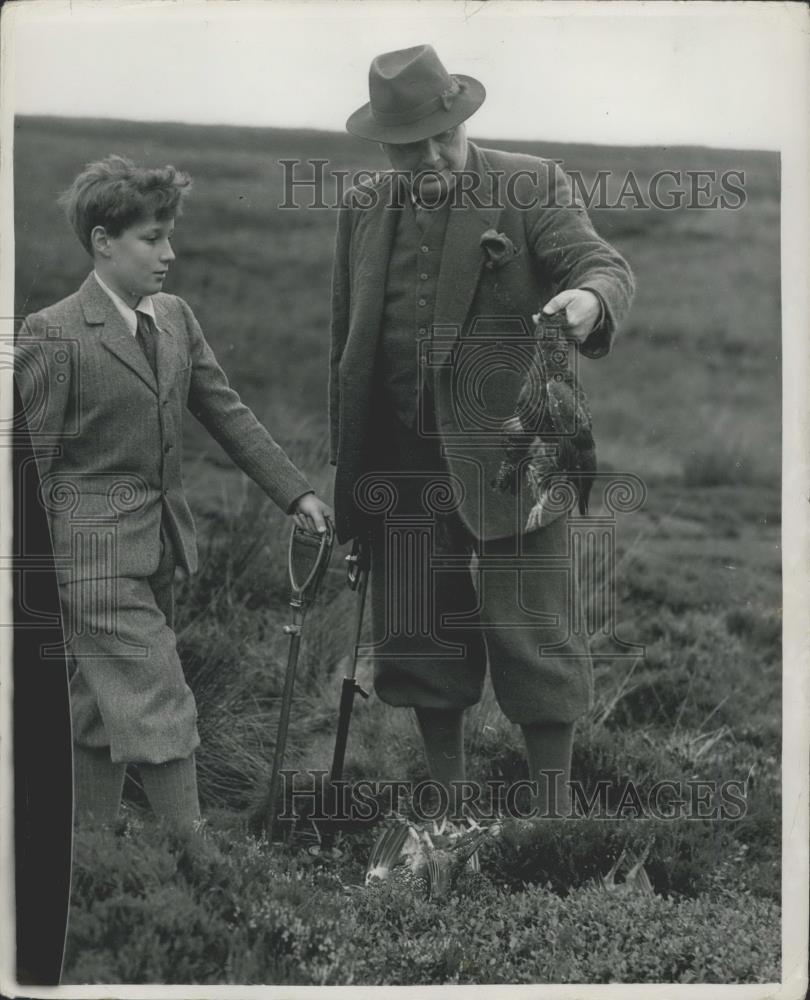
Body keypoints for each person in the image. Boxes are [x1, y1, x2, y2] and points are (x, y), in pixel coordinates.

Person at [329, 45, 635, 820]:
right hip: (400, 453)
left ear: (464, 118)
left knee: (537, 637)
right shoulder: (363, 209)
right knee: (422, 635)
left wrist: (590, 302)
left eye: (443, 136)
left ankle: (554, 820)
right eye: (409, 145)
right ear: (383, 144)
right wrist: (354, 474)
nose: (430, 156)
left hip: (518, 450)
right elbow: (349, 343)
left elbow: (601, 264)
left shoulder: (530, 183)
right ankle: (448, 811)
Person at [15, 155, 333, 834]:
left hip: (159, 547)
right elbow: (26, 465)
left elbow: (227, 412)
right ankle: (199, 864)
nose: (170, 252)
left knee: (102, 709)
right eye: (151, 238)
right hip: (89, 562)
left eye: (169, 235)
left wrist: (296, 495)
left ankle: (94, 859)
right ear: (103, 241)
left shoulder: (176, 319)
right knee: (159, 698)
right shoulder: (54, 332)